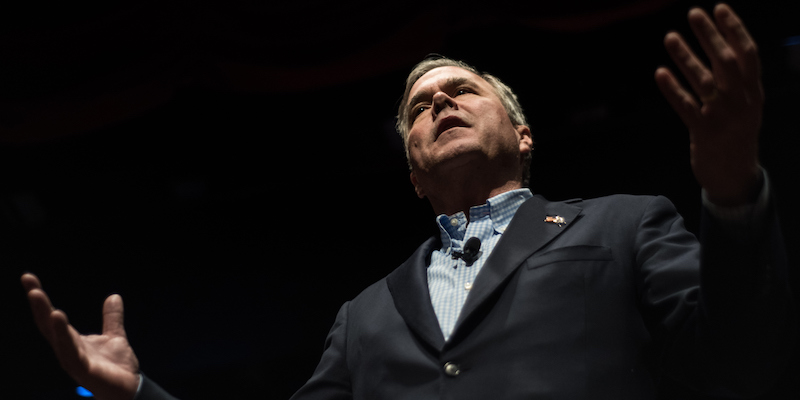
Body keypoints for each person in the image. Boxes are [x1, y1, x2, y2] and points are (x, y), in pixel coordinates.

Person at [22, 3, 795, 399]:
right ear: (415, 177)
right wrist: (132, 394)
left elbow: (745, 358)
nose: (440, 103)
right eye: (421, 106)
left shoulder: (624, 223)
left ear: (524, 137)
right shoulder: (363, 318)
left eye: (462, 91)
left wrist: (731, 192)